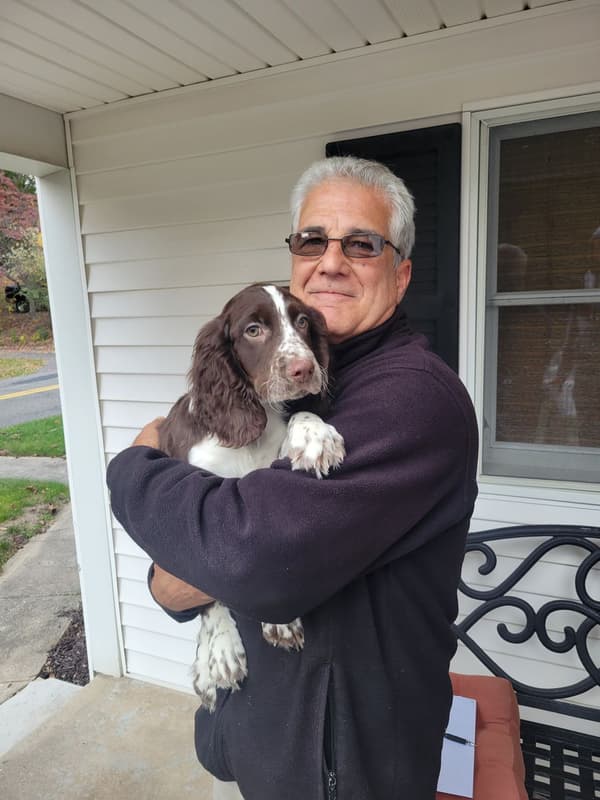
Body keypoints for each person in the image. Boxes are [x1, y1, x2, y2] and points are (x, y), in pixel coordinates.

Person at [107, 156, 479, 800]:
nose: (331, 262)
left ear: (402, 274)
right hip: (266, 733)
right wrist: (186, 570)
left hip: (344, 768)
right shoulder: (297, 393)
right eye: (313, 240)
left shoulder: (410, 398)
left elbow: (250, 555)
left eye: (362, 244)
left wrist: (134, 466)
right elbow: (180, 582)